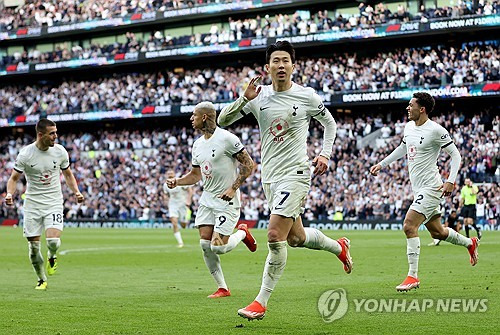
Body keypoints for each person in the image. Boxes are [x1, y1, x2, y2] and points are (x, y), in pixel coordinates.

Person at [218, 41, 352, 320]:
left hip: (297, 173)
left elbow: (330, 123)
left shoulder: (307, 96)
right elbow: (222, 120)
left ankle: (260, 302)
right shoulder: (258, 96)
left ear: (293, 66)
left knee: (274, 235)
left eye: (285, 61)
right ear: (267, 68)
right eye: (275, 61)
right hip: (271, 178)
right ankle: (339, 247)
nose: (281, 65)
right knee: (296, 238)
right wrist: (244, 99)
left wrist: (325, 154)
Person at [370, 92, 479, 292]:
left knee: (409, 226)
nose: (407, 108)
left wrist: (450, 181)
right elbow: (403, 149)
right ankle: (470, 243)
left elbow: (455, 155)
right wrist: (382, 164)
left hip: (432, 187)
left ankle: (413, 276)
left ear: (422, 109)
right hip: (417, 188)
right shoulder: (408, 127)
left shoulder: (436, 130)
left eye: (411, 105)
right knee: (438, 231)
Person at [166, 101, 256, 298]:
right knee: (205, 245)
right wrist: (178, 182)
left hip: (226, 199)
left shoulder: (227, 139)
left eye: (194, 115)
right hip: (207, 200)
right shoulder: (197, 144)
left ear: (204, 117)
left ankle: (242, 233)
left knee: (218, 247)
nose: (191, 119)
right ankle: (223, 288)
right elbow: (195, 175)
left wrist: (233, 188)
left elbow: (249, 165)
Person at [4, 118, 84, 290]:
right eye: (52, 133)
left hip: (54, 202)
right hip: (32, 204)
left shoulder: (60, 151)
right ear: (40, 135)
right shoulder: (26, 154)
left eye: (56, 132)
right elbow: (14, 178)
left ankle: (52, 256)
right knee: (33, 248)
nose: (56, 136)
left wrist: (76, 191)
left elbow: (68, 175)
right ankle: (41, 279)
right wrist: (10, 193)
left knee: (53, 241)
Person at [163, 169, 193, 248]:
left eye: (171, 173)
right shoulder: (165, 185)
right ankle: (180, 242)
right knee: (174, 223)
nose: (170, 174)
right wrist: (166, 200)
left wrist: (188, 200)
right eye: (168, 173)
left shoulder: (180, 181)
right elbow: (166, 194)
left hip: (182, 204)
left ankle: (186, 216)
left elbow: (190, 190)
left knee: (183, 225)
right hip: (173, 205)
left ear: (174, 174)